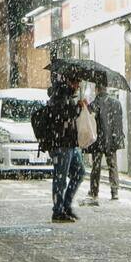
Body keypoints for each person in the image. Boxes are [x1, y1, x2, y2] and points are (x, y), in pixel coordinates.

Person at [34, 74, 83, 222]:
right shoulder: (60, 96)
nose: (78, 86)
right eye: (77, 82)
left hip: (69, 143)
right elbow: (63, 116)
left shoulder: (66, 96)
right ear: (69, 81)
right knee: (60, 177)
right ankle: (58, 210)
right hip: (61, 144)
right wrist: (77, 108)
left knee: (79, 172)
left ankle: (66, 206)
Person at [85, 84, 124, 205]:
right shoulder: (116, 103)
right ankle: (114, 191)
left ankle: (94, 191)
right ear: (106, 89)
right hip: (111, 140)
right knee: (112, 165)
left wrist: (86, 107)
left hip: (98, 140)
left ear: (97, 90)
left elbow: (89, 121)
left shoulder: (94, 104)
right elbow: (118, 123)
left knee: (96, 167)